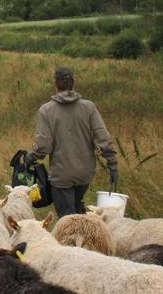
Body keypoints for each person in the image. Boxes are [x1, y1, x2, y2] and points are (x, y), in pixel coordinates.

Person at [26, 66, 118, 218]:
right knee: (77, 209)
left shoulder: (46, 110)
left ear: (55, 83)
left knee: (67, 220)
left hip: (62, 176)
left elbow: (44, 146)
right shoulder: (89, 107)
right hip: (85, 174)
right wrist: (113, 165)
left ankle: (72, 239)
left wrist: (32, 156)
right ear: (73, 82)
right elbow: (103, 138)